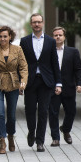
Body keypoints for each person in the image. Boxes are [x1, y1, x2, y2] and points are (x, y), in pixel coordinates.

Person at [19, 13, 62, 152]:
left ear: (42, 23)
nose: (37, 24)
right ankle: (31, 131)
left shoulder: (50, 41)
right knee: (30, 110)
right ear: (31, 24)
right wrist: (20, 82)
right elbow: (21, 63)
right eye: (34, 22)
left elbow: (55, 63)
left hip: (46, 82)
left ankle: (40, 141)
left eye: (39, 22)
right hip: (30, 81)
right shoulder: (24, 41)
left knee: (43, 111)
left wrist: (58, 83)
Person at [0, 26, 28, 154]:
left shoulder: (17, 50)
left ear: (10, 37)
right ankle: (2, 140)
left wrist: (23, 82)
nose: (2, 39)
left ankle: (11, 136)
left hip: (13, 84)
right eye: (0, 37)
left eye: (5, 36)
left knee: (12, 115)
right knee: (0, 113)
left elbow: (24, 67)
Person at [49, 26, 81, 146]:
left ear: (64, 37)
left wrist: (79, 84)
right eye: (55, 35)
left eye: (60, 35)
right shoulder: (48, 51)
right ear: (53, 37)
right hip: (53, 88)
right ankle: (55, 138)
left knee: (71, 111)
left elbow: (79, 69)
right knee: (53, 113)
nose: (58, 37)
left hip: (69, 87)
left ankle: (66, 129)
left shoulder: (73, 52)